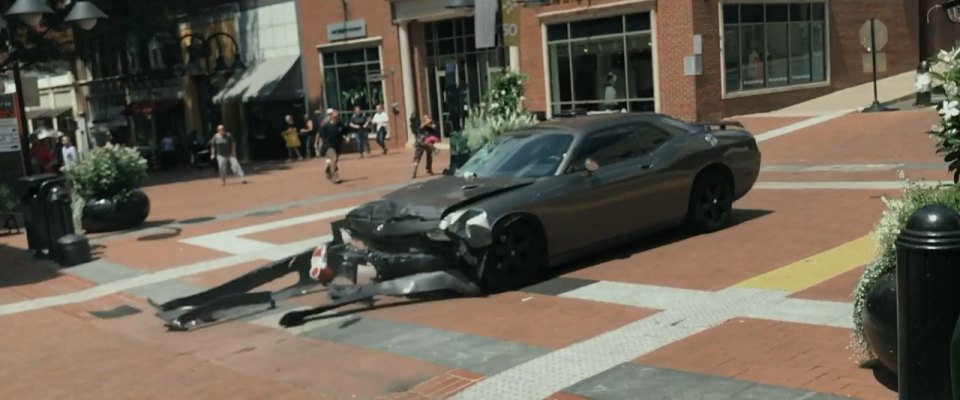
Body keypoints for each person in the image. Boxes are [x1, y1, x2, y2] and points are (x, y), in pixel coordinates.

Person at [318, 109, 348, 183]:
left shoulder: (341, 125)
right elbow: (321, 136)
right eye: (334, 116)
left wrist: (347, 137)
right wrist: (318, 144)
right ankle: (335, 177)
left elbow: (345, 133)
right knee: (333, 159)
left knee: (334, 161)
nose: (336, 118)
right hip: (328, 145)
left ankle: (328, 171)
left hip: (337, 145)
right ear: (331, 117)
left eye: (337, 116)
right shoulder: (326, 126)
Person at [412, 114, 440, 179]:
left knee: (429, 156)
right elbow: (422, 126)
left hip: (425, 142)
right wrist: (427, 122)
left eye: (427, 118)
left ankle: (429, 169)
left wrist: (429, 123)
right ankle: (414, 172)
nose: (427, 120)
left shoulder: (431, 125)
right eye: (425, 119)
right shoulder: (422, 125)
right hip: (421, 142)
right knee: (417, 158)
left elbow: (434, 127)